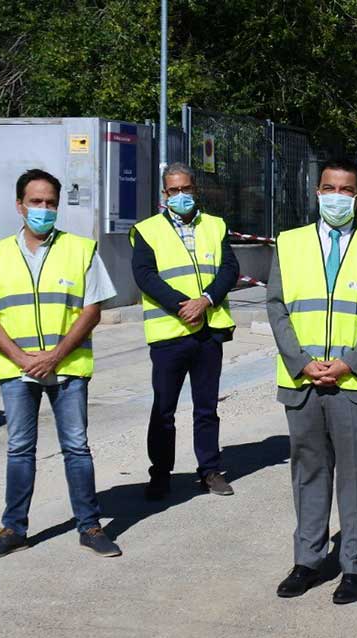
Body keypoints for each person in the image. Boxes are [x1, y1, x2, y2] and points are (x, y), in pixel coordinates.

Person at [0, 169, 120, 560]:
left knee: (76, 447)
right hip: (16, 369)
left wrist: (56, 355)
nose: (43, 209)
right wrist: (20, 358)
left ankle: (89, 525)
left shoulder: (80, 249)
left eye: (50, 203)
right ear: (19, 206)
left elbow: (93, 309)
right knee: (20, 449)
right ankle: (13, 529)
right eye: (35, 202)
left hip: (67, 366)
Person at [268, 158, 357, 605]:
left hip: (354, 381)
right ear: (316, 191)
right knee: (308, 470)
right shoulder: (289, 243)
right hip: (301, 377)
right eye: (329, 188)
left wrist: (348, 363)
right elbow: (276, 307)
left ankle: (356, 567)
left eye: (346, 190)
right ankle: (308, 559)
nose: (336, 197)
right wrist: (301, 361)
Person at [131, 162, 241, 501]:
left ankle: (210, 470)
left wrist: (206, 300)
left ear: (196, 190)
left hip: (208, 330)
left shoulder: (215, 225)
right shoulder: (147, 230)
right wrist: (183, 305)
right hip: (170, 333)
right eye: (173, 191)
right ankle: (160, 474)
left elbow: (229, 268)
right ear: (164, 195)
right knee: (163, 410)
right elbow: (145, 276)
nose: (181, 196)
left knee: (206, 407)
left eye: (186, 189)